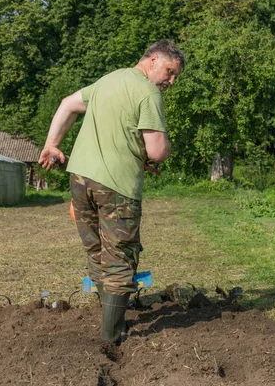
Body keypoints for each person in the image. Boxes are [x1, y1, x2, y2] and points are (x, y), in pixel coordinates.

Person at [38, 39, 185, 345]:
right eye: (170, 72)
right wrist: (166, 147)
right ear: (154, 60)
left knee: (96, 250)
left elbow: (67, 103)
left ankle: (109, 317)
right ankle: (112, 336)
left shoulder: (109, 80)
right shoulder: (147, 92)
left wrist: (52, 144)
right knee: (119, 258)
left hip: (80, 178)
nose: (171, 81)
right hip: (116, 185)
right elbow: (156, 151)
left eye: (175, 77)